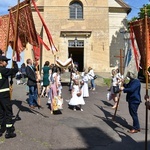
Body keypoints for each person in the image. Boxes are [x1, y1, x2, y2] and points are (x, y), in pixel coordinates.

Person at [0, 55, 18, 138]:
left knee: (1, 113)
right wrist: (14, 62)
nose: (7, 63)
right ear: (2, 62)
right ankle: (9, 131)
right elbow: (15, 70)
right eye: (6, 61)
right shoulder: (3, 70)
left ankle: (1, 129)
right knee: (8, 112)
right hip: (4, 94)